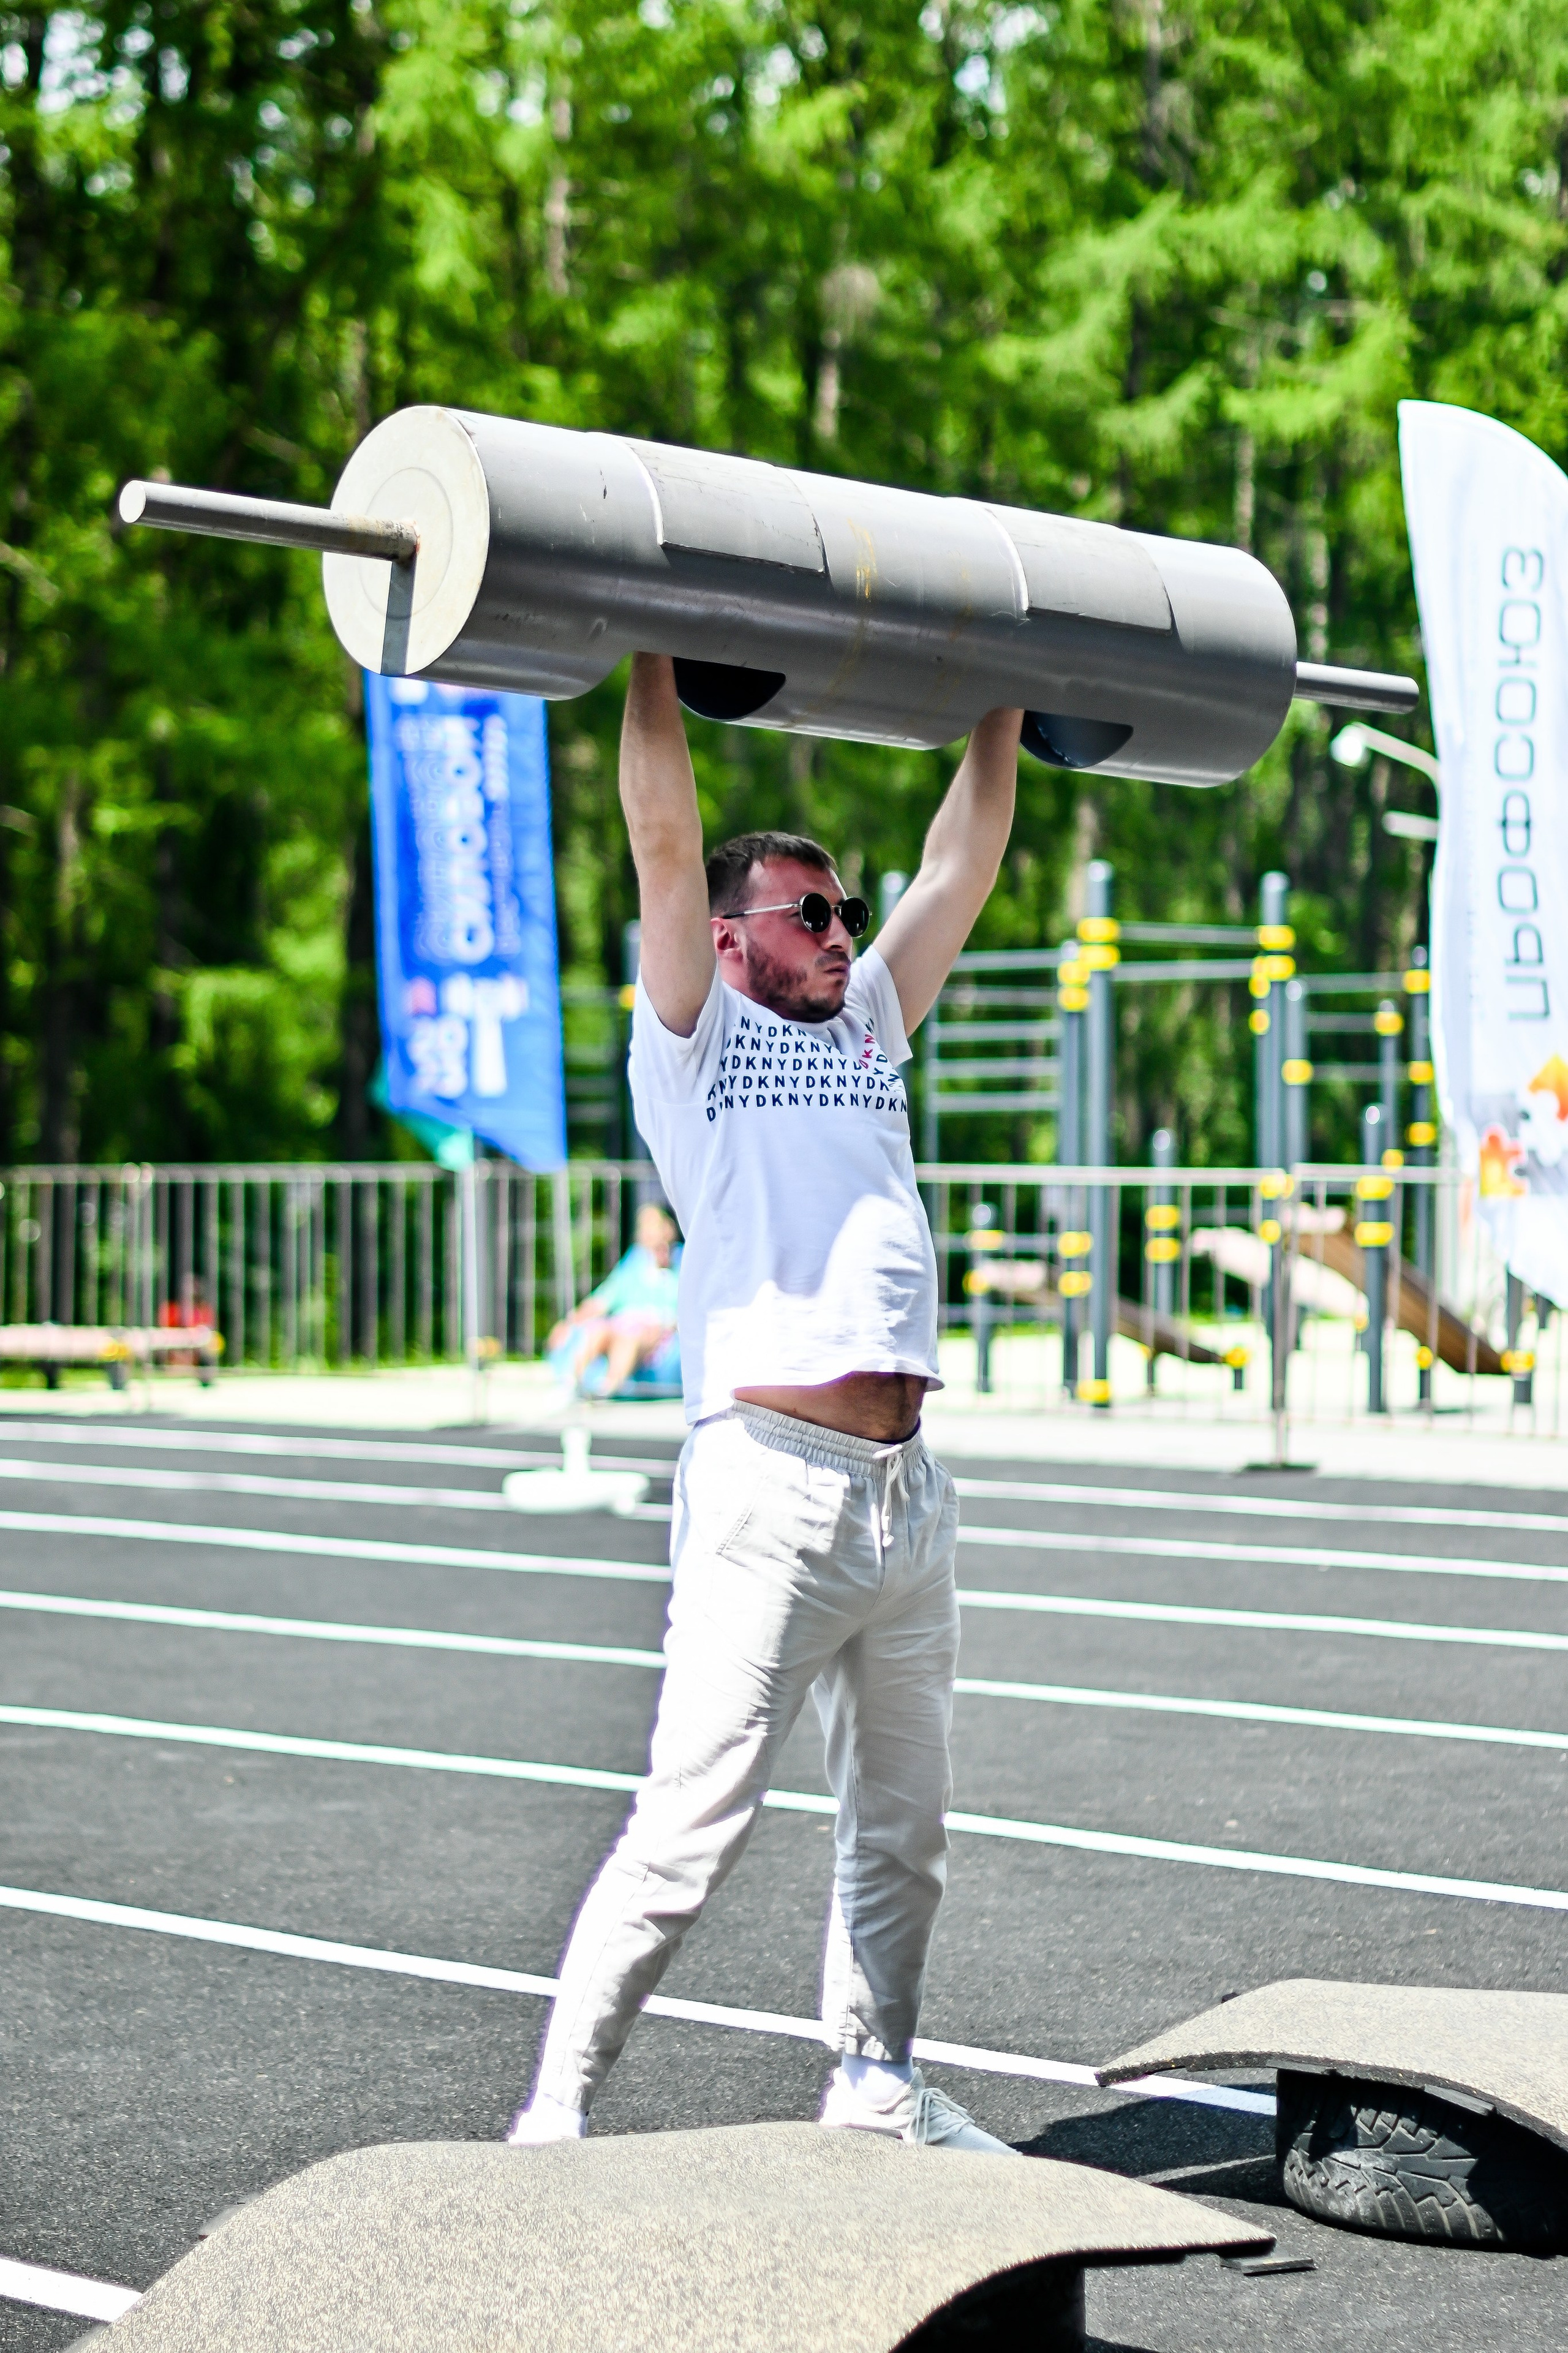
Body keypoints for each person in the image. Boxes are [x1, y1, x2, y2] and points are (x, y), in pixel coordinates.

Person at [507, 654, 1021, 2155]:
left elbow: (962, 858)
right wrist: (653, 648)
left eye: (845, 910)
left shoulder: (867, 1017)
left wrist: (1001, 683)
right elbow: (663, 838)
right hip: (768, 1487)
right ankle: (555, 2108)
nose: (844, 930)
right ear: (730, 942)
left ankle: (871, 2072)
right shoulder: (693, 1039)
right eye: (812, 912)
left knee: (903, 1835)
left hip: (905, 1492)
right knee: (688, 1829)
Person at [546, 1201, 680, 1398]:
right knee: (598, 1330)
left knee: (629, 1338)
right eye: (644, 1227)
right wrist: (569, 1322)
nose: (648, 1234)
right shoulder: (635, 1262)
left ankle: (606, 1389)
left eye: (654, 1226)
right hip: (624, 1323)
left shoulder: (682, 1264)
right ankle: (569, 1385)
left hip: (655, 1331)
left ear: (669, 1229)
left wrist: (667, 1324)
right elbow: (602, 1300)